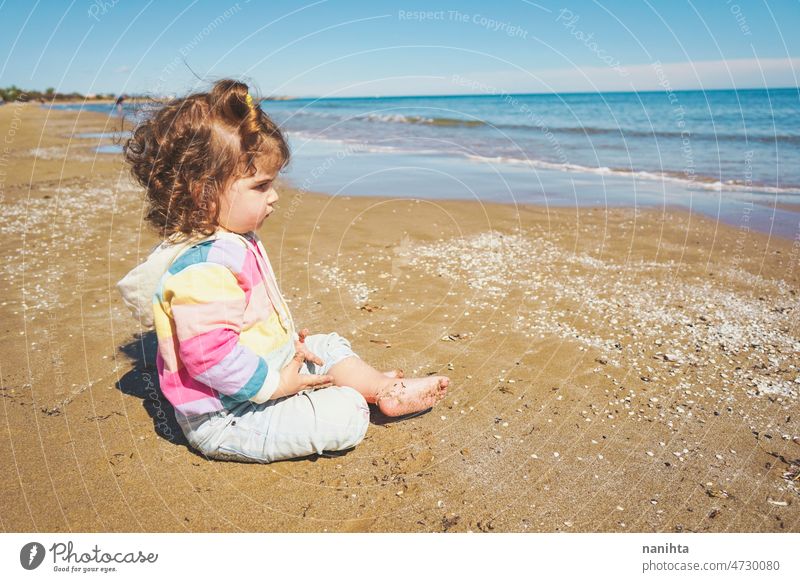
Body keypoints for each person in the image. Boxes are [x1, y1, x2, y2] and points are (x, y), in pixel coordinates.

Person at [117, 79, 449, 463]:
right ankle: (355, 397)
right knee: (347, 414)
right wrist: (278, 384)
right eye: (261, 186)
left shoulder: (232, 237)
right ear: (202, 192)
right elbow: (211, 360)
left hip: (261, 374)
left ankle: (382, 389)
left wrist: (285, 348)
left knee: (327, 345)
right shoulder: (203, 270)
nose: (274, 195)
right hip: (227, 415)